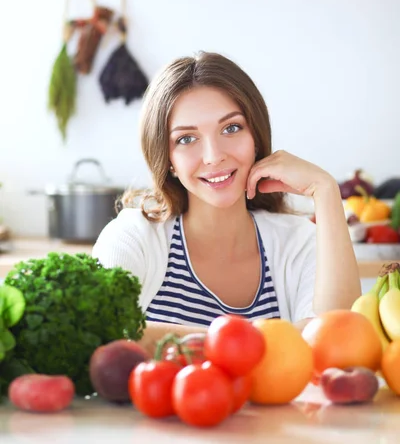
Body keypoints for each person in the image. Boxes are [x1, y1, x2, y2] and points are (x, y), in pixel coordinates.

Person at [93, 51, 361, 355]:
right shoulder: (133, 237)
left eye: (231, 128)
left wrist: (326, 191)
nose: (214, 155)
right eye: (186, 139)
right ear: (168, 160)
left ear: (256, 138)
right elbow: (104, 331)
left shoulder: (298, 241)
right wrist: (262, 342)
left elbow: (335, 344)